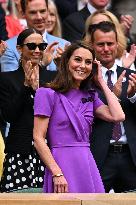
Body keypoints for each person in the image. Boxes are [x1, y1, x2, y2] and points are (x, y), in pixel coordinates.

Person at [33, 41, 125, 193]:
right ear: (66, 61)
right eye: (77, 59)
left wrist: (101, 81)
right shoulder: (46, 94)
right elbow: (38, 138)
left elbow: (118, 115)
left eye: (88, 62)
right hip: (60, 164)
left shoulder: (91, 96)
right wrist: (56, 172)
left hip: (86, 164)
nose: (82, 65)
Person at [0, 28, 57, 192]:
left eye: (41, 46)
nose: (37, 50)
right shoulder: (6, 78)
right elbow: (9, 116)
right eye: (32, 46)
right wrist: (26, 86)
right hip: (20, 152)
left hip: (49, 151)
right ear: (19, 49)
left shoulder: (53, 78)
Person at [88, 21, 136, 192]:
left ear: (117, 45)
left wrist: (132, 96)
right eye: (100, 44)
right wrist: (112, 96)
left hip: (130, 155)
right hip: (100, 154)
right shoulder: (85, 80)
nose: (106, 49)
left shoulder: (132, 76)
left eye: (110, 43)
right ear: (92, 46)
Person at [0, 0, 69, 72]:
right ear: (23, 13)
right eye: (33, 12)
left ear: (48, 11)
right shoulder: (9, 47)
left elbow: (70, 81)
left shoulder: (63, 45)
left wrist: (61, 67)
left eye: (42, 11)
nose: (39, 17)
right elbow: (10, 81)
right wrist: (42, 64)